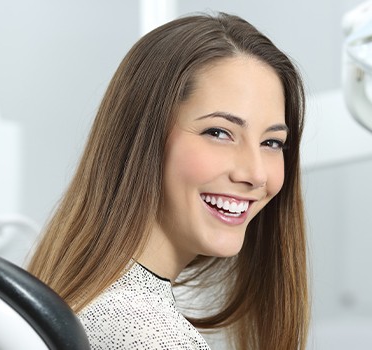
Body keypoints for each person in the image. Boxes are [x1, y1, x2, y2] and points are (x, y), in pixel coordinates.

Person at [28, 12, 309, 350]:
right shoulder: (150, 334)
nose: (254, 174)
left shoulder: (84, 298)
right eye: (219, 133)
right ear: (143, 138)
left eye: (271, 143)